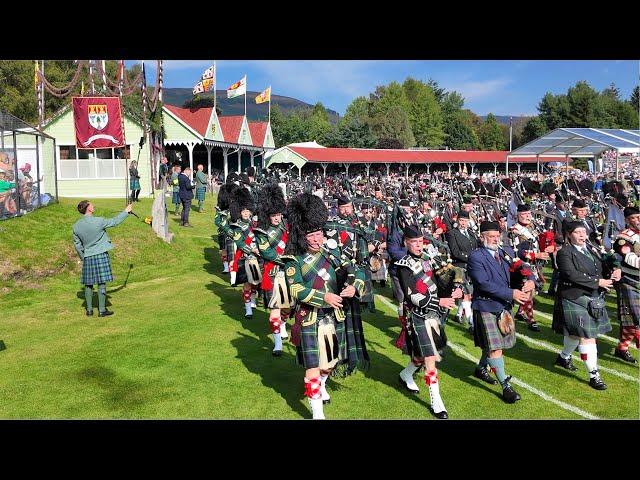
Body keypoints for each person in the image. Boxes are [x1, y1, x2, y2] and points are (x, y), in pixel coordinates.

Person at [282, 193, 359, 419]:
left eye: (319, 234)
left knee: (328, 365)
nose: (317, 239)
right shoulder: (293, 260)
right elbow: (295, 289)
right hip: (310, 318)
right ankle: (317, 413)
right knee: (313, 368)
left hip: (333, 317)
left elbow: (355, 270)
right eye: (312, 236)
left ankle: (322, 384)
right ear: (302, 236)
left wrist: (353, 286)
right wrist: (323, 297)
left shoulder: (332, 253)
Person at [395, 225, 463, 419]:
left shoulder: (429, 259)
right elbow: (412, 296)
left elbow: (446, 279)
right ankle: (436, 401)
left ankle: (405, 375)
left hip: (434, 313)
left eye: (420, 241)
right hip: (417, 314)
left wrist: (455, 290)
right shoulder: (403, 265)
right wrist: (439, 300)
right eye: (414, 242)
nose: (418, 245)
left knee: (421, 356)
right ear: (406, 243)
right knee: (430, 357)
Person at [467, 221, 537, 403]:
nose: (496, 240)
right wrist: (511, 293)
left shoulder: (506, 254)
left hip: (503, 305)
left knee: (492, 345)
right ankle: (506, 386)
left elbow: (522, 270)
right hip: (486, 306)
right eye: (491, 237)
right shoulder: (476, 257)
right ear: (482, 237)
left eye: (498, 236)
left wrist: (529, 280)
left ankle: (481, 368)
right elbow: (483, 283)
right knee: (496, 348)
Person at [552, 221, 621, 389]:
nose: (583, 235)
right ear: (569, 235)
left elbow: (609, 261)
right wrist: (598, 282)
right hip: (574, 296)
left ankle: (563, 357)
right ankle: (594, 375)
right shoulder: (564, 253)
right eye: (578, 232)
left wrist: (616, 268)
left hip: (592, 296)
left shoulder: (592, 249)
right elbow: (571, 274)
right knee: (587, 336)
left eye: (584, 232)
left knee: (575, 335)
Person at [72, 200, 133, 317]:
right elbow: (115, 221)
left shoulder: (76, 226)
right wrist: (126, 211)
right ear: (88, 208)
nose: (93, 206)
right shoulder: (98, 221)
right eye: (91, 204)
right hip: (100, 255)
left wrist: (83, 257)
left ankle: (89, 310)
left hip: (88, 256)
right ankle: (102, 310)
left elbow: (78, 246)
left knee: (88, 284)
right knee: (101, 283)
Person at [254, 183, 290, 356]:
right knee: (275, 310)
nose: (277, 218)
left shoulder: (286, 226)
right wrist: (283, 259)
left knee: (288, 308)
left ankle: (283, 323)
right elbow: (266, 251)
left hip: (289, 272)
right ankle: (277, 343)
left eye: (278, 214)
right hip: (273, 272)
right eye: (273, 215)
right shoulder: (261, 231)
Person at [612, 206, 640, 363]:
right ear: (627, 221)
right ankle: (623, 349)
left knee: (633, 319)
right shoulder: (623, 237)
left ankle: (622, 348)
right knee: (633, 317)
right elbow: (627, 256)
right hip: (629, 280)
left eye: (638, 217)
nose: (637, 221)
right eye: (633, 219)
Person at [445, 210, 478, 327]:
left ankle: (459, 314)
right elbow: (455, 252)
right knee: (465, 293)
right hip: (460, 266)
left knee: (470, 293)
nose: (463, 223)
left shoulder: (472, 233)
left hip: (473, 266)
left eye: (466, 221)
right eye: (461, 220)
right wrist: (472, 258)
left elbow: (477, 247)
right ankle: (471, 322)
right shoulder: (452, 233)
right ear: (457, 220)